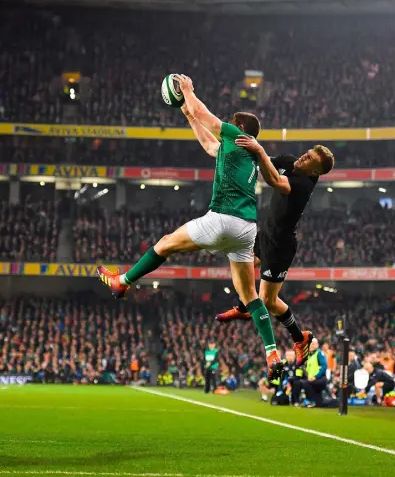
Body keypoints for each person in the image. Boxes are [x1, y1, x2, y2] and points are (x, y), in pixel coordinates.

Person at [97, 74, 283, 382]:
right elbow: (210, 145)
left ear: (240, 128)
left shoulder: (236, 136)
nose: (227, 124)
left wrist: (188, 92)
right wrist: (187, 114)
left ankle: (123, 281)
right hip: (246, 229)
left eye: (232, 123)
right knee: (250, 295)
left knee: (165, 244)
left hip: (222, 219)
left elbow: (207, 118)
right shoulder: (245, 155)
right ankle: (272, 351)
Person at [215, 136, 334, 367]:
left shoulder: (303, 185)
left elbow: (274, 180)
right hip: (266, 233)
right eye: (307, 151)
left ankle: (301, 338)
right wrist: (242, 152)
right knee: (244, 267)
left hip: (280, 247)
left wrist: (258, 150)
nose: (304, 156)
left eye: (309, 158)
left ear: (314, 172)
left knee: (269, 301)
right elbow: (264, 163)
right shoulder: (291, 162)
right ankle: (243, 307)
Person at [292, 338, 328, 408]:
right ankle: (296, 401)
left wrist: (316, 377)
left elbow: (324, 366)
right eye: (310, 344)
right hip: (311, 378)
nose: (311, 346)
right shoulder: (308, 355)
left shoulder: (319, 353)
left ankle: (311, 401)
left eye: (313, 344)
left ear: (317, 345)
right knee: (297, 383)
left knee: (305, 383)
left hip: (319, 378)